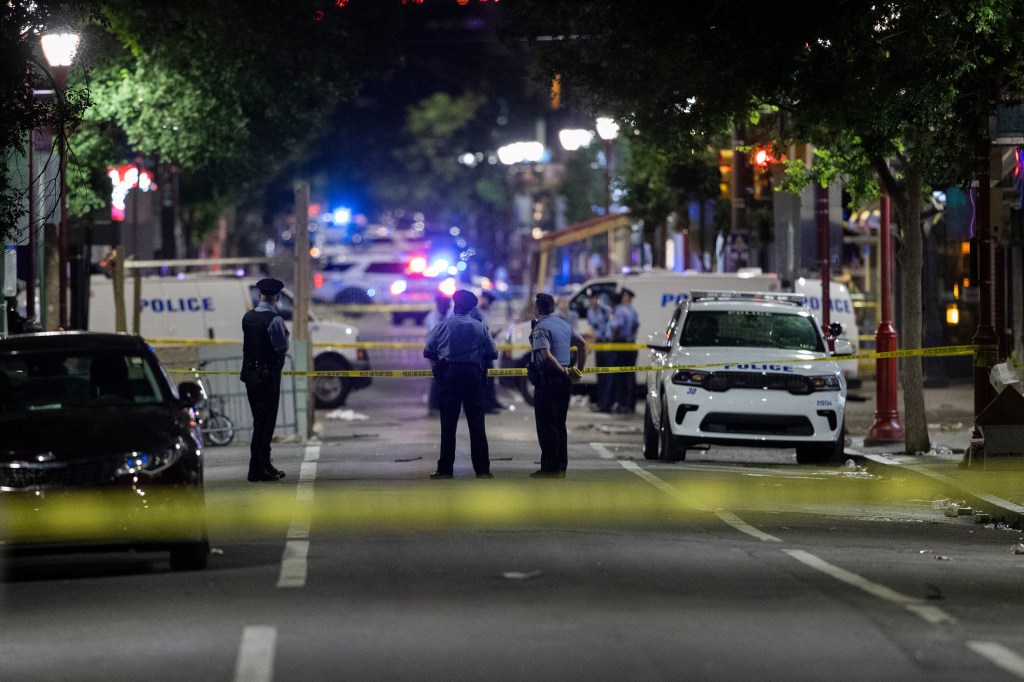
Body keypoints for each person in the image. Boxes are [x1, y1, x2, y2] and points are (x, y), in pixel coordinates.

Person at [423, 289, 498, 479]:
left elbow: (427, 350)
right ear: (471, 307)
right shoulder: (479, 327)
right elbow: (493, 352)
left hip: (450, 376)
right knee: (477, 424)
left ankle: (445, 469)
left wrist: (441, 357)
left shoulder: (443, 326)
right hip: (473, 376)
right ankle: (482, 470)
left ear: (455, 306)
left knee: (448, 424)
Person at [529, 292, 587, 478]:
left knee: (547, 425)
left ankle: (550, 468)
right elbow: (582, 344)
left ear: (538, 309)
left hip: (548, 381)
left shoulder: (541, 328)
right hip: (564, 382)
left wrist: (561, 371)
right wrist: (578, 370)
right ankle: (561, 465)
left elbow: (546, 355)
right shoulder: (563, 324)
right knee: (559, 424)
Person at [240, 277, 290, 482]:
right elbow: (281, 347)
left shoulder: (247, 317)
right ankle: (256, 467)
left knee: (259, 421)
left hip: (250, 375)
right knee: (265, 423)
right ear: (276, 297)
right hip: (268, 377)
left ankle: (264, 464)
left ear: (260, 295)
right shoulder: (275, 320)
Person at [609, 287, 640, 414]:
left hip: (621, 344)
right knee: (630, 376)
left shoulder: (620, 310)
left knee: (620, 376)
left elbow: (617, 327)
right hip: (631, 344)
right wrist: (629, 336)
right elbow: (636, 325)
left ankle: (621, 404)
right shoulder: (632, 310)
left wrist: (616, 339)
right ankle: (630, 404)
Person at [473, 290, 504, 412]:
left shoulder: (484, 313)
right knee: (483, 379)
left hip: (486, 351)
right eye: (488, 301)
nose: (489, 304)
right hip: (480, 352)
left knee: (490, 378)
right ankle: (487, 405)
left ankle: (492, 401)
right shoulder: (475, 313)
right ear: (482, 298)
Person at [424, 293, 453, 416]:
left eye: (447, 304)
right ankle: (433, 406)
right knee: (437, 380)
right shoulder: (432, 317)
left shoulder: (447, 314)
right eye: (443, 304)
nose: (445, 307)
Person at [585, 290, 614, 413]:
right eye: (590, 299)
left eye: (594, 299)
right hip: (598, 344)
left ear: (597, 299)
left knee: (607, 376)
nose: (592, 301)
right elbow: (593, 327)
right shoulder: (590, 312)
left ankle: (607, 404)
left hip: (606, 343)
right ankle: (602, 403)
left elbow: (609, 326)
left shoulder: (606, 310)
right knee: (600, 374)